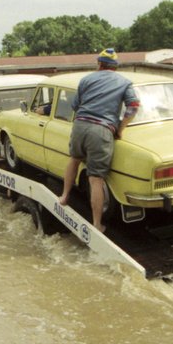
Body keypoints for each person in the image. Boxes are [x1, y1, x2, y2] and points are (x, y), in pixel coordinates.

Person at [58, 48, 140, 232]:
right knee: (96, 179)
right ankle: (96, 223)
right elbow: (133, 106)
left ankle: (64, 196)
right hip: (101, 130)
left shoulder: (86, 79)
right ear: (115, 66)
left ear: (99, 64)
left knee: (74, 159)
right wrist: (121, 127)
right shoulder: (125, 82)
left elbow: (75, 105)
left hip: (79, 125)